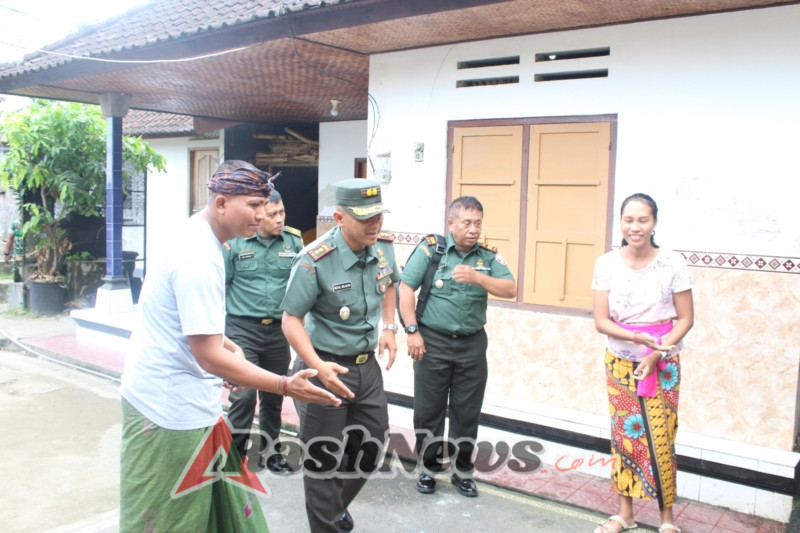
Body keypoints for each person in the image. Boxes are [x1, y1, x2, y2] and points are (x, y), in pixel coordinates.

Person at [118, 160, 340, 533]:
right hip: (168, 410)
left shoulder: (203, 238)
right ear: (221, 203)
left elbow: (190, 324)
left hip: (192, 404)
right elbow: (207, 356)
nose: (262, 214)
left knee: (227, 513)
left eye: (266, 205)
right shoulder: (199, 258)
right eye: (254, 205)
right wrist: (285, 385)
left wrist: (227, 346)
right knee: (172, 518)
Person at [281, 178, 398, 533]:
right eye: (365, 217)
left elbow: (390, 283)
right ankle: (328, 522)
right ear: (339, 217)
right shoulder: (314, 259)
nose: (374, 224)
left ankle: (331, 509)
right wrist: (316, 366)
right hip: (323, 368)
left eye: (378, 215)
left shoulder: (382, 247)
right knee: (323, 461)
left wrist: (390, 327)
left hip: (366, 368)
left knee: (372, 445)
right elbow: (291, 321)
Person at [398, 196, 516, 497]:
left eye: (478, 223)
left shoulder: (487, 257)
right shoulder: (432, 250)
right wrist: (412, 331)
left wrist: (478, 277)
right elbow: (406, 287)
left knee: (467, 412)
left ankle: (463, 473)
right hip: (432, 342)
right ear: (451, 224)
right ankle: (428, 469)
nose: (473, 229)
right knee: (428, 411)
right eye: (467, 223)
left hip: (471, 346)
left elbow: (511, 288)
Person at [591, 193, 694, 533]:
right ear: (621, 223)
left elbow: (685, 318)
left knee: (662, 437)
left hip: (662, 365)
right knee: (624, 438)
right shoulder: (606, 263)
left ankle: (667, 520)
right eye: (629, 220)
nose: (635, 227)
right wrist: (637, 340)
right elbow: (602, 321)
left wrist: (656, 352)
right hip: (620, 362)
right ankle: (625, 515)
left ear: (654, 223)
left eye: (643, 220)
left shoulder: (673, 264)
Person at [223, 188, 303, 474]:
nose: (279, 219)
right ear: (259, 214)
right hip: (242, 329)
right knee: (243, 397)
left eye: (282, 213)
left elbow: (299, 285)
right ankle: (234, 457)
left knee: (274, 394)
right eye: (272, 215)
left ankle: (271, 455)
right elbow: (221, 285)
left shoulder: (293, 241)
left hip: (278, 332)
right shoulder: (236, 241)